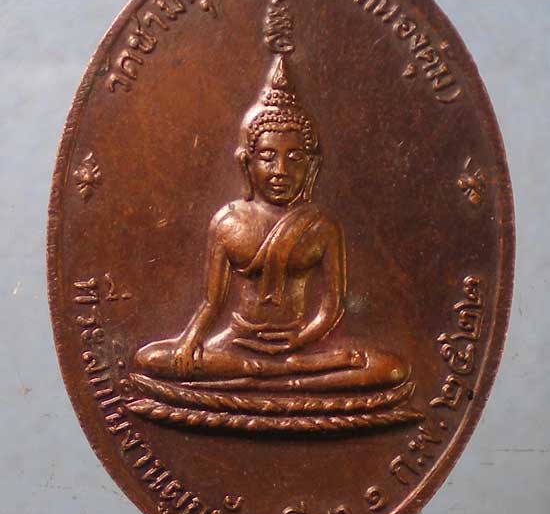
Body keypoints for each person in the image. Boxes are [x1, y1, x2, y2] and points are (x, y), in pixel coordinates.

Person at [134, 55, 409, 391]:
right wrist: (189, 341)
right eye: (267, 156)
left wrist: (300, 341)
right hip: (237, 342)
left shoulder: (321, 226)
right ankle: (278, 376)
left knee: (392, 369)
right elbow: (211, 302)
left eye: (294, 158)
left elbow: (332, 304)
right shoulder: (229, 221)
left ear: (311, 167)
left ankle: (268, 374)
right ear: (246, 164)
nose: (280, 170)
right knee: (149, 358)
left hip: (302, 346)